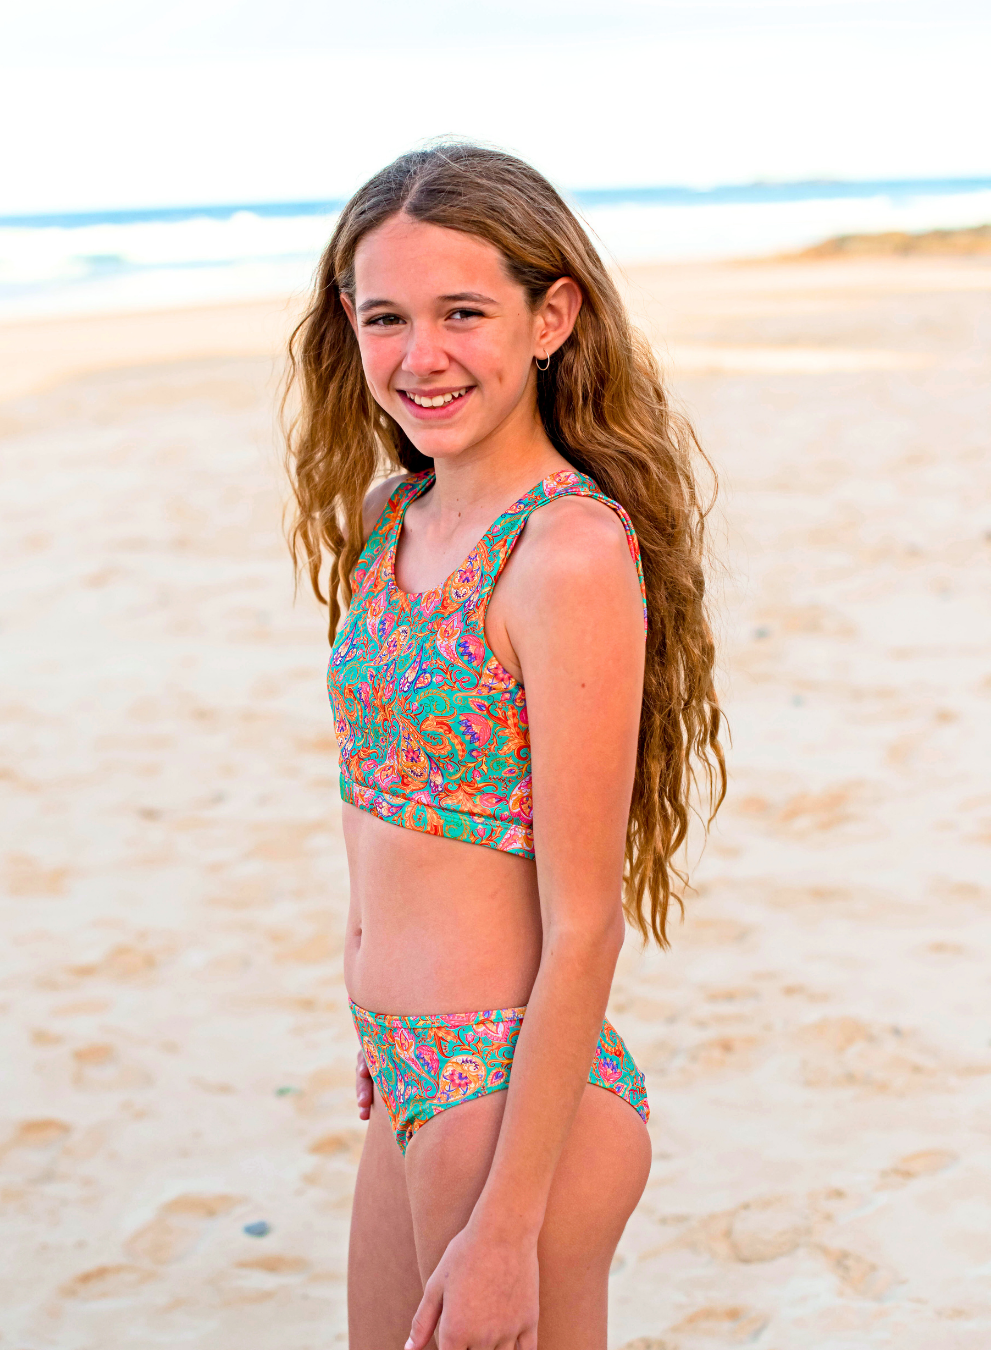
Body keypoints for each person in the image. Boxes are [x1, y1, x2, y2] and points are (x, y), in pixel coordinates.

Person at [284, 143, 726, 1350]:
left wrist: (508, 1231)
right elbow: (374, 778)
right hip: (405, 1068)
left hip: (508, 1086)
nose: (420, 356)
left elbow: (587, 919)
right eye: (387, 317)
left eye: (462, 312)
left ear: (552, 316)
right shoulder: (391, 517)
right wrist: (361, 962)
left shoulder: (567, 554)